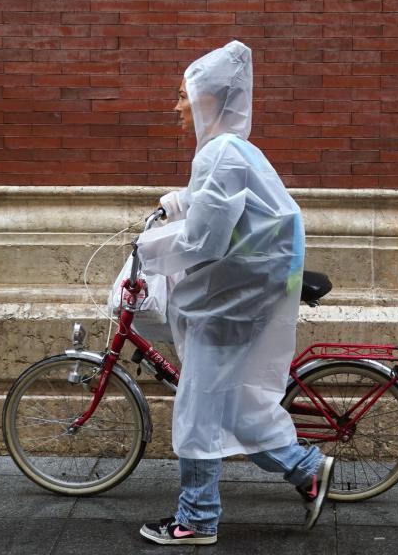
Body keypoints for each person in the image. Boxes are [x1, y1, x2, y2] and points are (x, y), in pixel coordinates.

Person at [134, 41, 334, 547]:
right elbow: (224, 212)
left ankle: (197, 518)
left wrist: (149, 249)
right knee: (229, 400)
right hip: (244, 291)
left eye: (182, 96)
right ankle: (305, 468)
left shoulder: (220, 154)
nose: (176, 106)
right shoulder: (232, 150)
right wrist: (180, 201)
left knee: (200, 402)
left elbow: (205, 239)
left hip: (231, 298)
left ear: (207, 98)